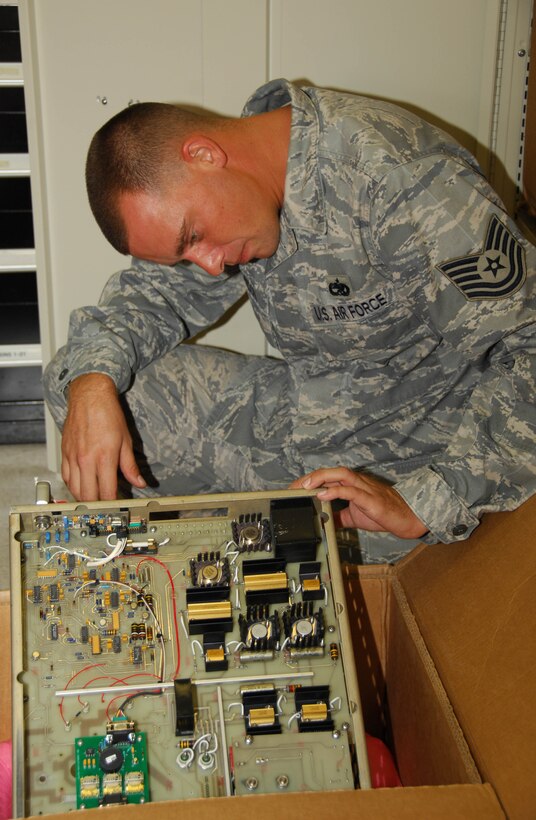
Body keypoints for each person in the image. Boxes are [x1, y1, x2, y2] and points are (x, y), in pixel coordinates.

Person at [44, 78, 536, 563]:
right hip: (302, 417)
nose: (213, 265)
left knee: (276, 584)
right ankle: (184, 536)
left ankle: (236, 538)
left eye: (193, 237)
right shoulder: (245, 186)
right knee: (89, 389)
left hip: (398, 466)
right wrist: (91, 384)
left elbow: (529, 346)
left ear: (205, 155)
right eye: (187, 255)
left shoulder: (398, 177)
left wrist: (426, 501)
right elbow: (145, 300)